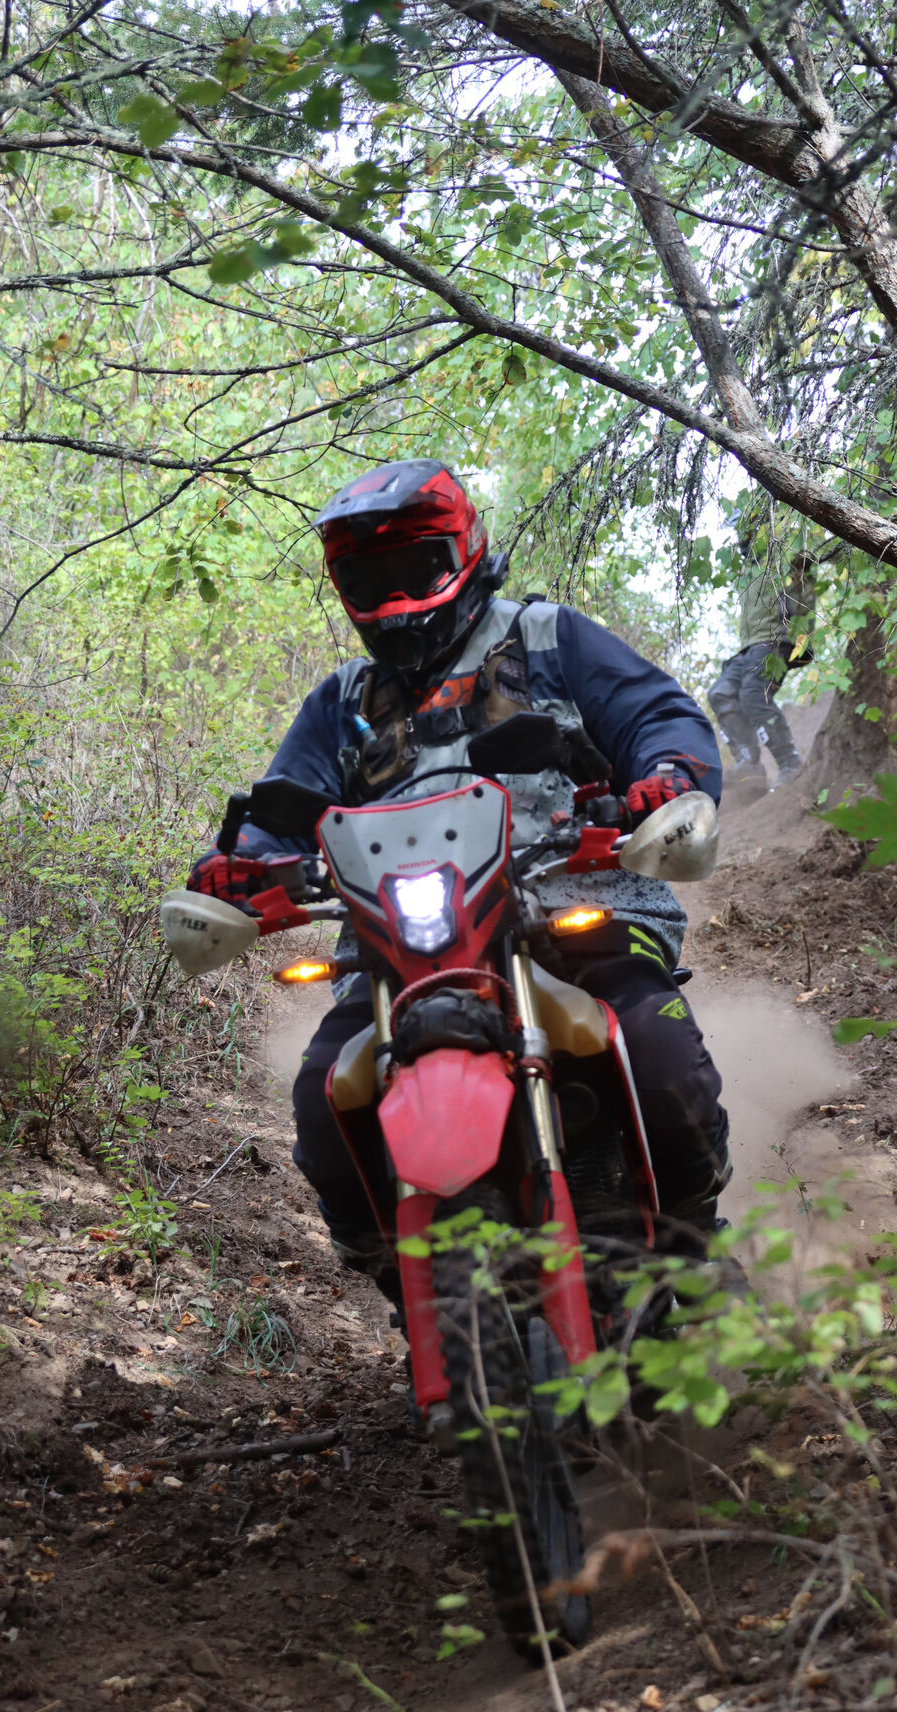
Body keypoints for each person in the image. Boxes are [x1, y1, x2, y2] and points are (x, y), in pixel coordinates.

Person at [187, 459, 732, 1298]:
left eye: (417, 568)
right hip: (400, 947)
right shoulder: (344, 700)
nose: (397, 596)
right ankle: (400, 1278)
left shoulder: (548, 638)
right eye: (372, 579)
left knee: (655, 1051)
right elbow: (282, 808)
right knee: (324, 1102)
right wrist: (243, 864)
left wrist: (663, 775)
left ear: (465, 552)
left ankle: (694, 1244)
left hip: (572, 899)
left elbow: (656, 715)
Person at [708, 522, 816, 787]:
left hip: (777, 640)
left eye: (748, 533)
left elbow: (804, 594)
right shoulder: (748, 569)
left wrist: (798, 634)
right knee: (721, 693)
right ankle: (749, 765)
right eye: (740, 534)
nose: (742, 540)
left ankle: (790, 762)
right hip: (750, 647)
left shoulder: (781, 555)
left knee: (753, 692)